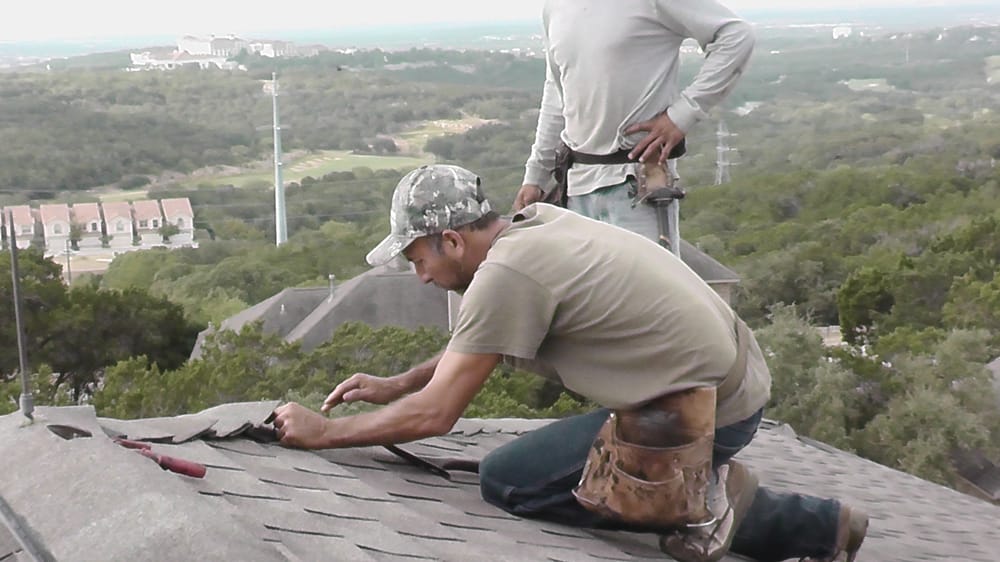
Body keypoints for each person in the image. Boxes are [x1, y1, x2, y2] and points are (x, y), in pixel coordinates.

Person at [271, 165, 868, 562]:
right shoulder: (534, 228)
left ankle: (701, 499)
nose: (418, 275)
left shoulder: (505, 274)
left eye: (417, 257)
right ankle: (822, 525)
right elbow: (480, 345)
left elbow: (437, 414)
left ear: (451, 241)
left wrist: (327, 434)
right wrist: (399, 382)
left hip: (699, 412)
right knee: (554, 468)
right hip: (726, 389)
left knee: (508, 480)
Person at [513, 0, 755, 246]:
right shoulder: (555, 7)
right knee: (589, 285)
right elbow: (557, 92)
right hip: (577, 186)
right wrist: (535, 177)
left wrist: (682, 115)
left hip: (638, 185)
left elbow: (736, 35)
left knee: (647, 284)